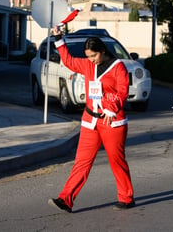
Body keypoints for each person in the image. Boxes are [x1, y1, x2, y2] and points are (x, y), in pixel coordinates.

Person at [48, 26, 135, 213]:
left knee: (116, 161)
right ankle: (66, 199)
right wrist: (58, 39)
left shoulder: (118, 67)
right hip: (90, 121)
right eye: (88, 56)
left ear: (102, 51)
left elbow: (122, 91)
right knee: (81, 161)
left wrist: (111, 109)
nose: (90, 60)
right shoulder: (88, 65)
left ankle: (126, 197)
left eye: (93, 56)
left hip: (111, 122)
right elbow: (69, 61)